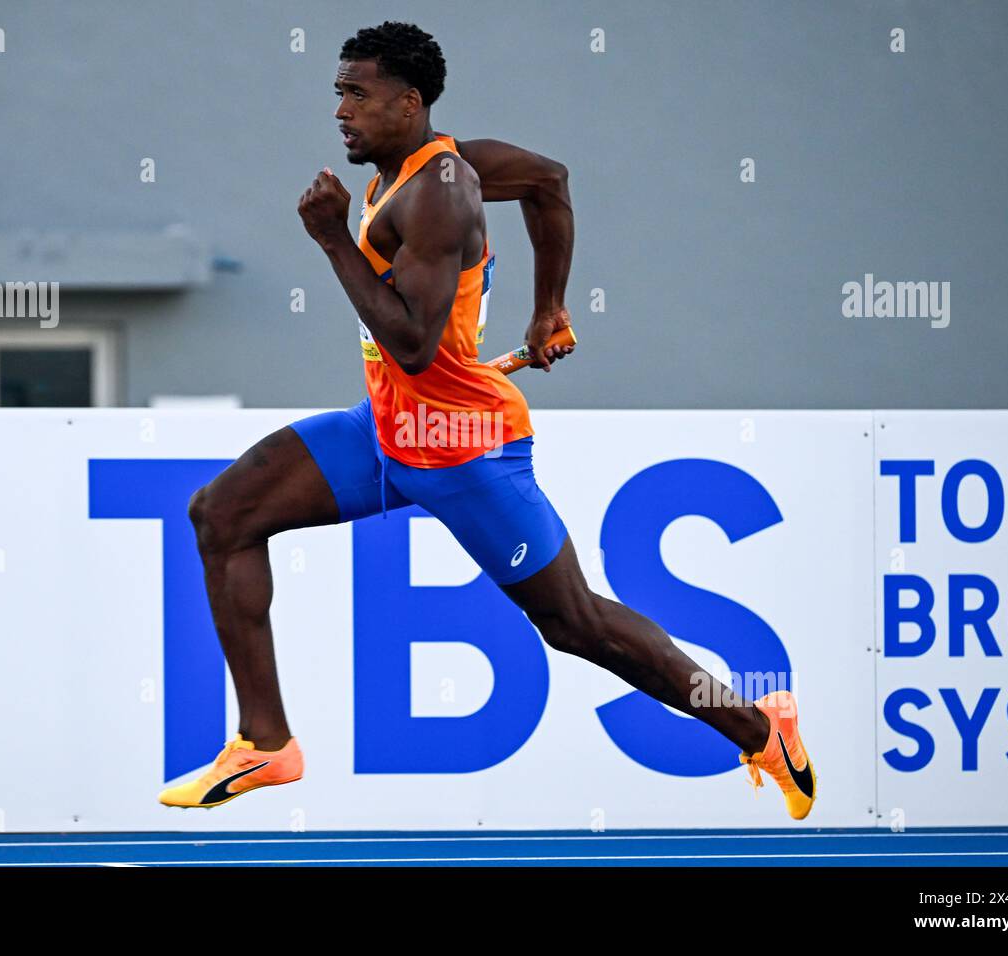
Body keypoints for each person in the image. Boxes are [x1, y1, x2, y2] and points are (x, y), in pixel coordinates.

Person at [159, 21, 816, 820]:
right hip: (388, 433)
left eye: (356, 95)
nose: (340, 110)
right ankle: (266, 745)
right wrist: (549, 309)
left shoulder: (441, 193)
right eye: (338, 92)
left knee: (579, 626)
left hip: (463, 450)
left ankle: (758, 727)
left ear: (408, 103)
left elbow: (408, 342)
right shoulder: (427, 166)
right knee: (222, 512)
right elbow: (550, 180)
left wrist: (332, 241)